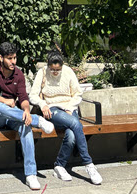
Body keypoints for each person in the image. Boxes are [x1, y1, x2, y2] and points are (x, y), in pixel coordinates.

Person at [0, 42, 55, 190]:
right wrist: (4, 100)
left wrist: (26, 111)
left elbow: (23, 97)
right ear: (1, 58)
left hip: (15, 116)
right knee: (0, 107)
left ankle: (31, 175)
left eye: (14, 58)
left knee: (26, 126)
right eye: (9, 58)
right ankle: (38, 120)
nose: (13, 62)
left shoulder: (18, 74)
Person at [29, 49, 103, 185]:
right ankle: (89, 164)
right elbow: (33, 95)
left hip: (69, 108)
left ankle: (59, 166)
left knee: (72, 135)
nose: (55, 72)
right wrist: (42, 104)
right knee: (75, 124)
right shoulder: (42, 73)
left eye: (58, 69)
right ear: (48, 66)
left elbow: (77, 93)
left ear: (62, 65)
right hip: (52, 109)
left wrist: (70, 107)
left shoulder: (68, 72)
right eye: (52, 69)